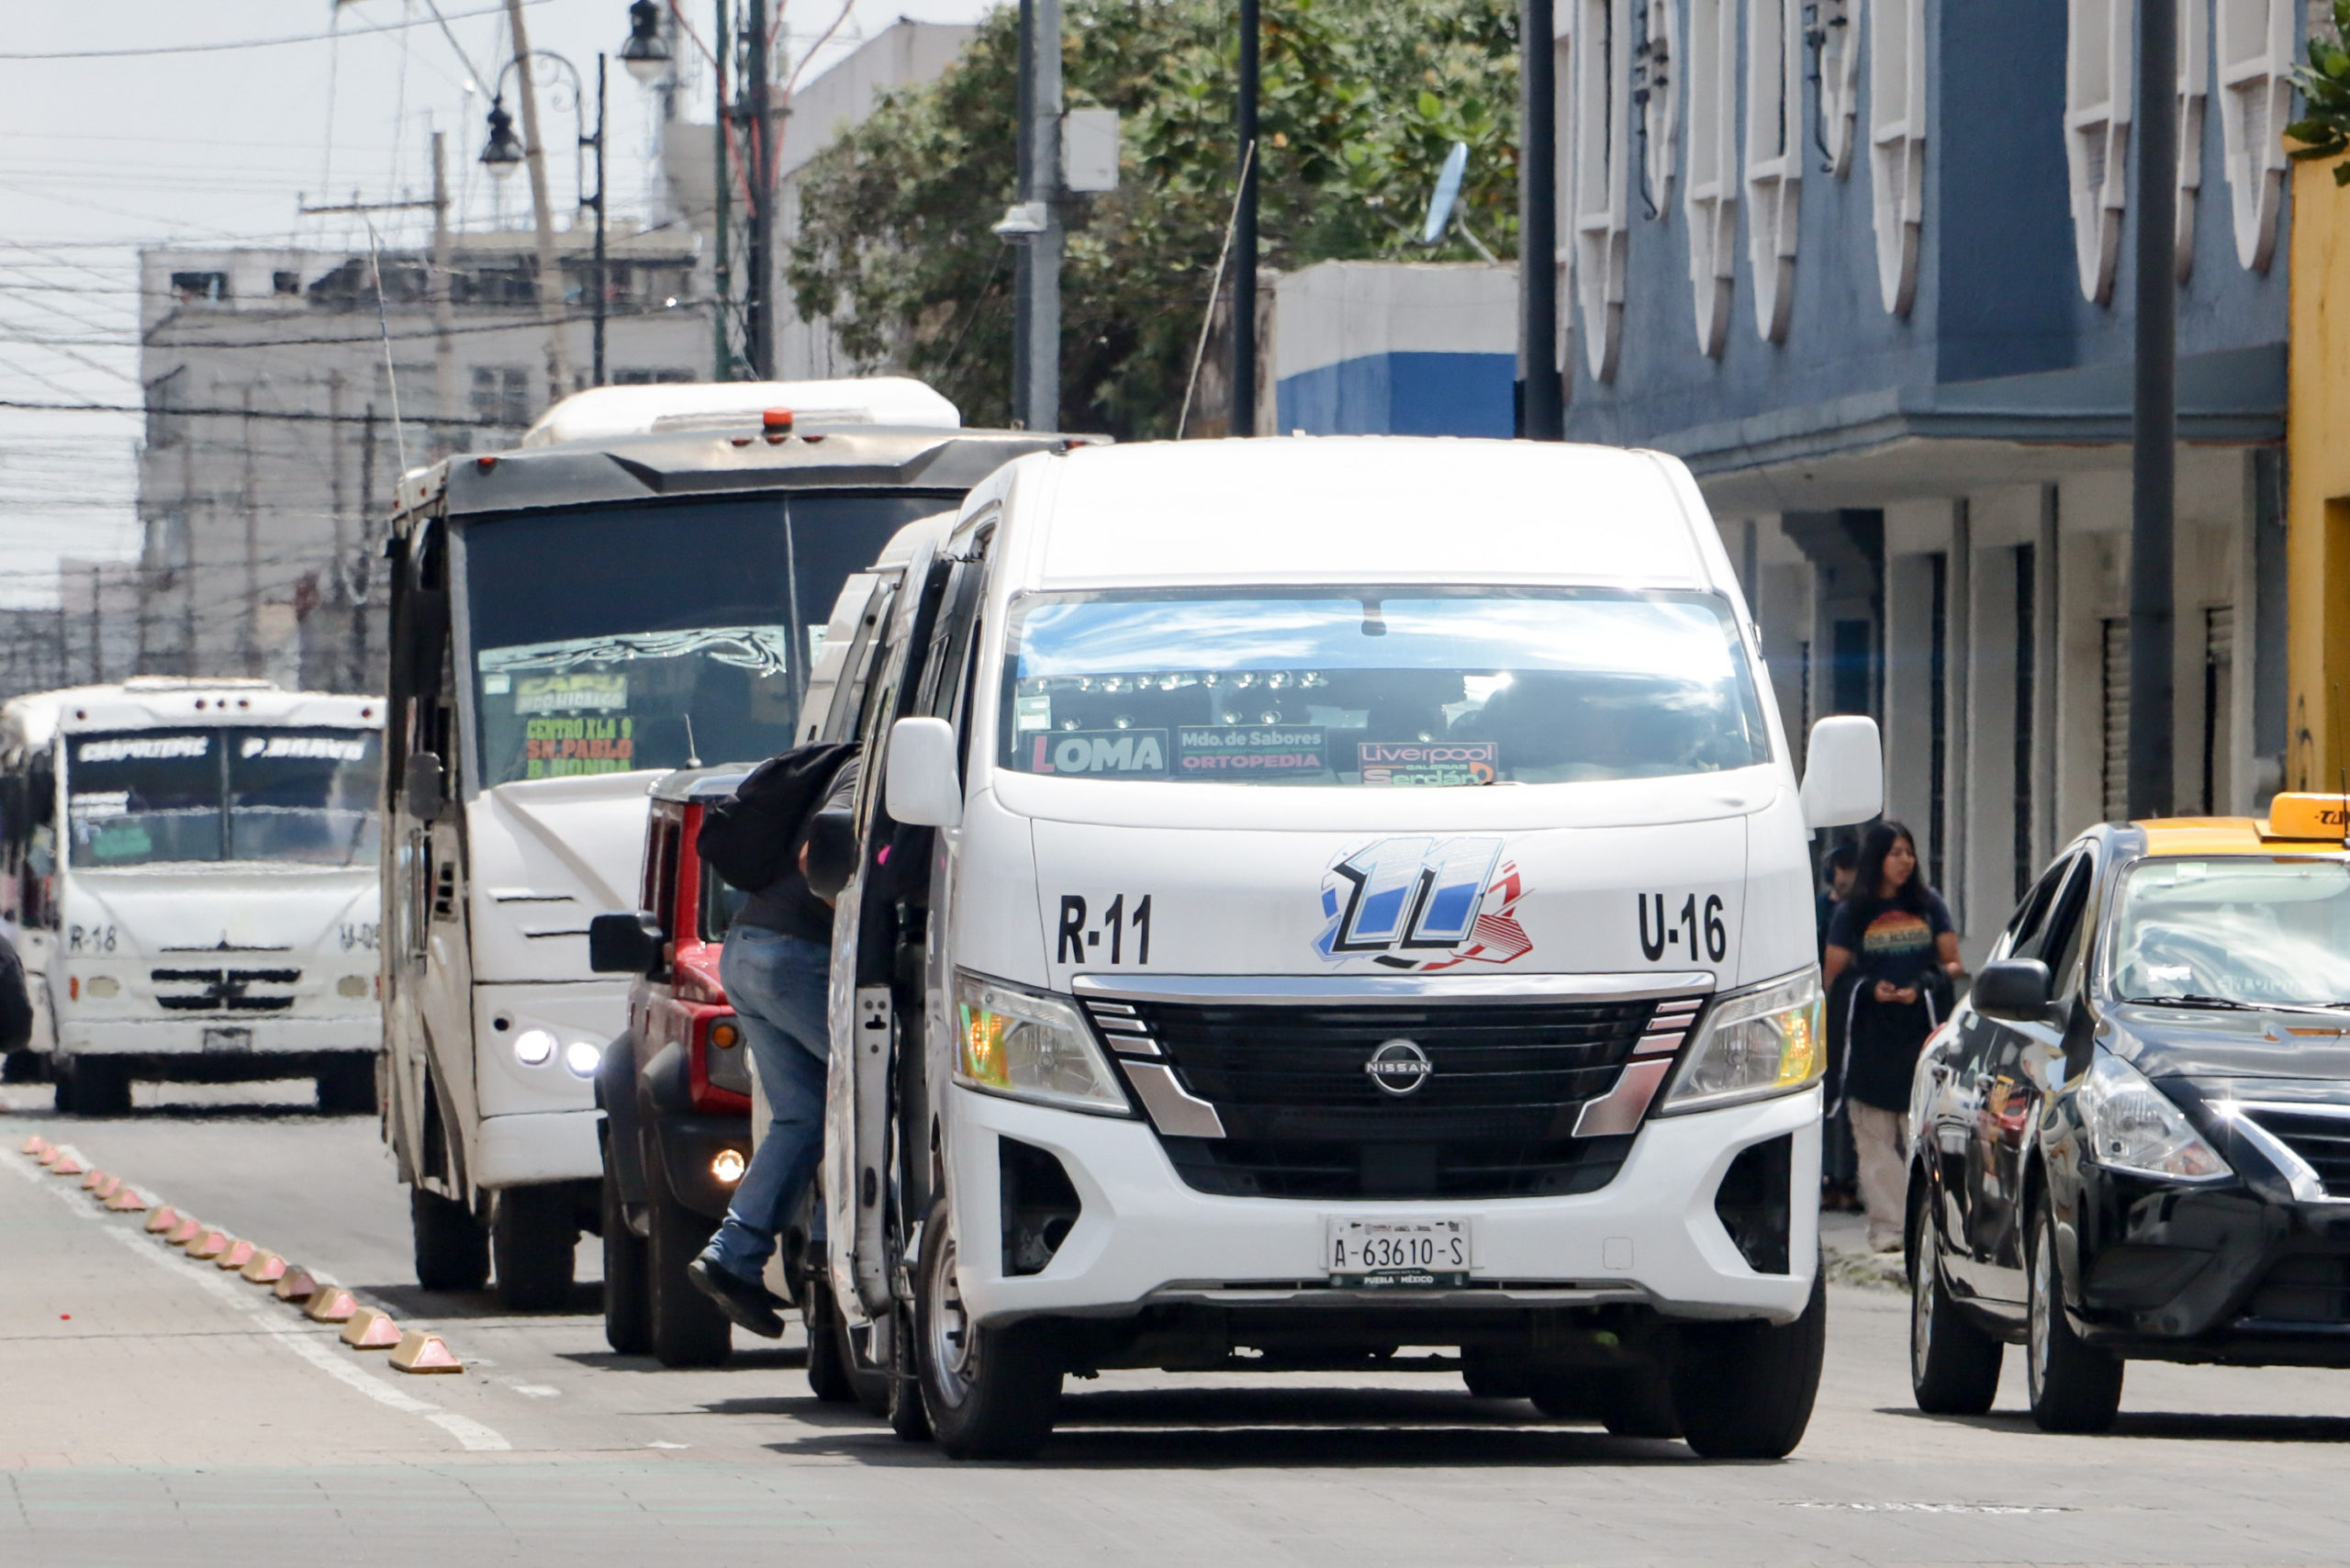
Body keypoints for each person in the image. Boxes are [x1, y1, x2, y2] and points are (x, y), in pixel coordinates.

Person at [685, 755, 860, 1337]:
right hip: (792, 956)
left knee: (803, 1115)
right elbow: (817, 856)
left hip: (751, 952)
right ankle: (834, 1247)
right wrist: (858, 922)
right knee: (870, 1094)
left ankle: (733, 1256)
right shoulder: (869, 766)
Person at [1823, 821, 1961, 1252]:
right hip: (1869, 1041)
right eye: (1895, 853)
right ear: (1877, 859)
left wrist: (1921, 987)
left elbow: (1953, 963)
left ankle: (1927, 1229)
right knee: (1875, 1141)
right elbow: (1833, 977)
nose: (1905, 861)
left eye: (1909, 852)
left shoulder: (1929, 904)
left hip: (1920, 1036)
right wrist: (1870, 989)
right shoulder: (1852, 912)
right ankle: (1889, 1230)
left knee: (1922, 1134)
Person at [1814, 841, 1860, 1214]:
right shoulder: (1822, 908)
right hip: (1822, 1008)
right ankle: (1828, 1176)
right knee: (1825, 1093)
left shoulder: (1861, 910)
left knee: (1848, 1094)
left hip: (1853, 1009)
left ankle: (1848, 1178)